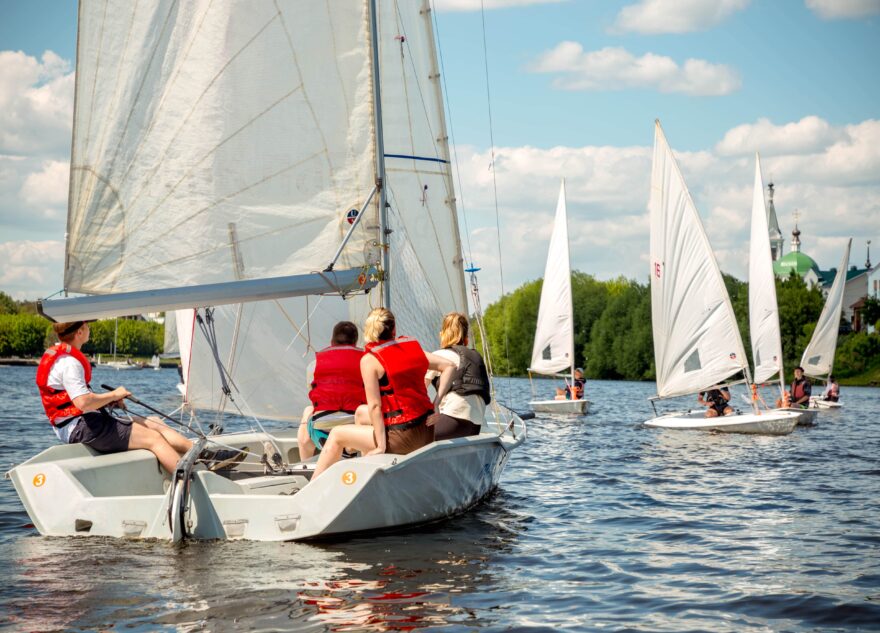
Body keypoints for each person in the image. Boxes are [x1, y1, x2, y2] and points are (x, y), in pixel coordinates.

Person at [311, 307, 454, 479]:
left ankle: (310, 488)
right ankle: (365, 470)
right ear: (394, 329)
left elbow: (376, 406)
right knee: (360, 413)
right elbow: (449, 366)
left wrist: (380, 446)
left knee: (336, 434)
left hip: (402, 437)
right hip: (426, 431)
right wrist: (436, 403)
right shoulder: (412, 348)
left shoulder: (370, 360)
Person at [36, 321, 195, 473]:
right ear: (79, 332)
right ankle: (191, 484)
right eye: (87, 326)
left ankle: (198, 454)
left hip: (81, 423)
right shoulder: (70, 362)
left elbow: (77, 402)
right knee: (154, 439)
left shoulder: (61, 357)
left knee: (155, 422)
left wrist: (109, 401)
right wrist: (115, 394)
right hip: (81, 428)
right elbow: (83, 402)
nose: (90, 329)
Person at [297, 321, 367, 459]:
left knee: (308, 412)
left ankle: (305, 462)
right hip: (355, 423)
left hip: (322, 426)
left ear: (332, 341)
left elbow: (313, 395)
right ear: (355, 342)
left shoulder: (315, 363)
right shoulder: (366, 360)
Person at [425, 312, 490, 440]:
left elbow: (419, 389)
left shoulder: (439, 356)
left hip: (453, 422)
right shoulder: (476, 357)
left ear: (442, 334)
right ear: (466, 338)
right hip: (475, 426)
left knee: (411, 437)